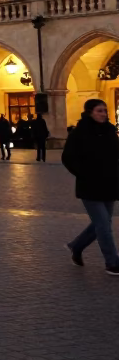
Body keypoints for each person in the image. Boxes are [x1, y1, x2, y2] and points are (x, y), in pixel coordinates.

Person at [61, 98, 119, 275]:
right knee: (103, 225)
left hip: (109, 185)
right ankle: (112, 262)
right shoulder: (79, 133)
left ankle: (76, 246)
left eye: (105, 111)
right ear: (90, 112)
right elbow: (68, 158)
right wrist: (84, 173)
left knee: (102, 223)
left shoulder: (110, 131)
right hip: (90, 186)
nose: (103, 114)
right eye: (99, 111)